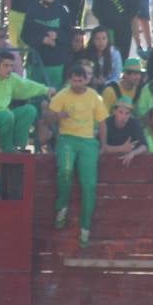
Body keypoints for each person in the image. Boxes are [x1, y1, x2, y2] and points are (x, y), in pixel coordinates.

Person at [48, 64, 109, 246]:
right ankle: (61, 206)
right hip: (67, 139)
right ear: (69, 80)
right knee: (65, 170)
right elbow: (47, 116)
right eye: (74, 80)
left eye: (80, 80)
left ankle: (85, 228)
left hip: (88, 141)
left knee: (89, 185)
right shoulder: (63, 95)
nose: (77, 83)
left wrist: (104, 145)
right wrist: (58, 116)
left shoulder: (94, 97)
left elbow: (103, 123)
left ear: (86, 80)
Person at [21, 0, 74, 90]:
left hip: (55, 63)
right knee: (34, 96)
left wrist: (57, 36)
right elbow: (25, 35)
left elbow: (69, 35)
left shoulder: (61, 10)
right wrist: (42, 40)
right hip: (36, 62)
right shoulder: (33, 9)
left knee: (53, 97)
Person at [99, 95, 147, 165]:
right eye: (120, 112)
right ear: (114, 112)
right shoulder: (107, 123)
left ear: (130, 114)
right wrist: (122, 148)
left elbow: (144, 146)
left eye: (127, 113)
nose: (123, 117)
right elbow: (102, 148)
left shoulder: (134, 123)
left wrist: (133, 153)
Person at [80, 26, 122, 92]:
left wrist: (105, 82)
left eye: (104, 38)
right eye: (97, 39)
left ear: (108, 40)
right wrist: (93, 80)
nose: (101, 42)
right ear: (92, 40)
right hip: (89, 86)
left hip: (109, 87)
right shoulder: (86, 53)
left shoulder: (114, 53)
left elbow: (116, 76)